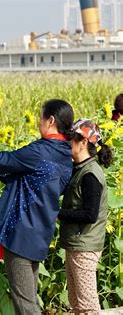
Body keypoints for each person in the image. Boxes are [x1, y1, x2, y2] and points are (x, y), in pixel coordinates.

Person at [0, 99, 74, 315]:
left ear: (50, 120)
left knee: (25, 305)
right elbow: (37, 180)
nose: (38, 122)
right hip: (40, 233)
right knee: (29, 298)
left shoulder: (40, 151)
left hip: (20, 233)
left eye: (41, 117)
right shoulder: (65, 155)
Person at [58, 119, 112, 313]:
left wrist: (56, 213)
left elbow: (90, 214)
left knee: (87, 305)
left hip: (84, 246)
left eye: (69, 139)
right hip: (76, 243)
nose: (65, 143)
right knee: (76, 303)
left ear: (82, 142)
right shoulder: (79, 169)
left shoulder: (90, 175)